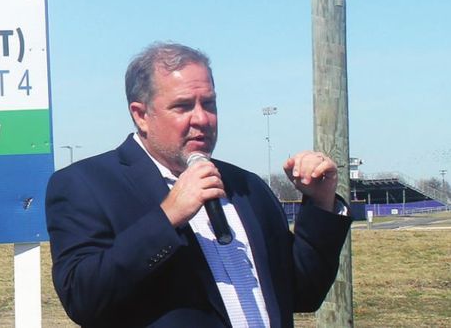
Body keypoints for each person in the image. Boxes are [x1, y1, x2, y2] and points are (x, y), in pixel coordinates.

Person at [46, 42, 352, 327]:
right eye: (182, 107)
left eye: (209, 104)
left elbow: (303, 292)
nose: (202, 118)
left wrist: (322, 203)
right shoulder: (85, 185)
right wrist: (168, 217)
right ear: (141, 115)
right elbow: (83, 298)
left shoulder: (247, 186)